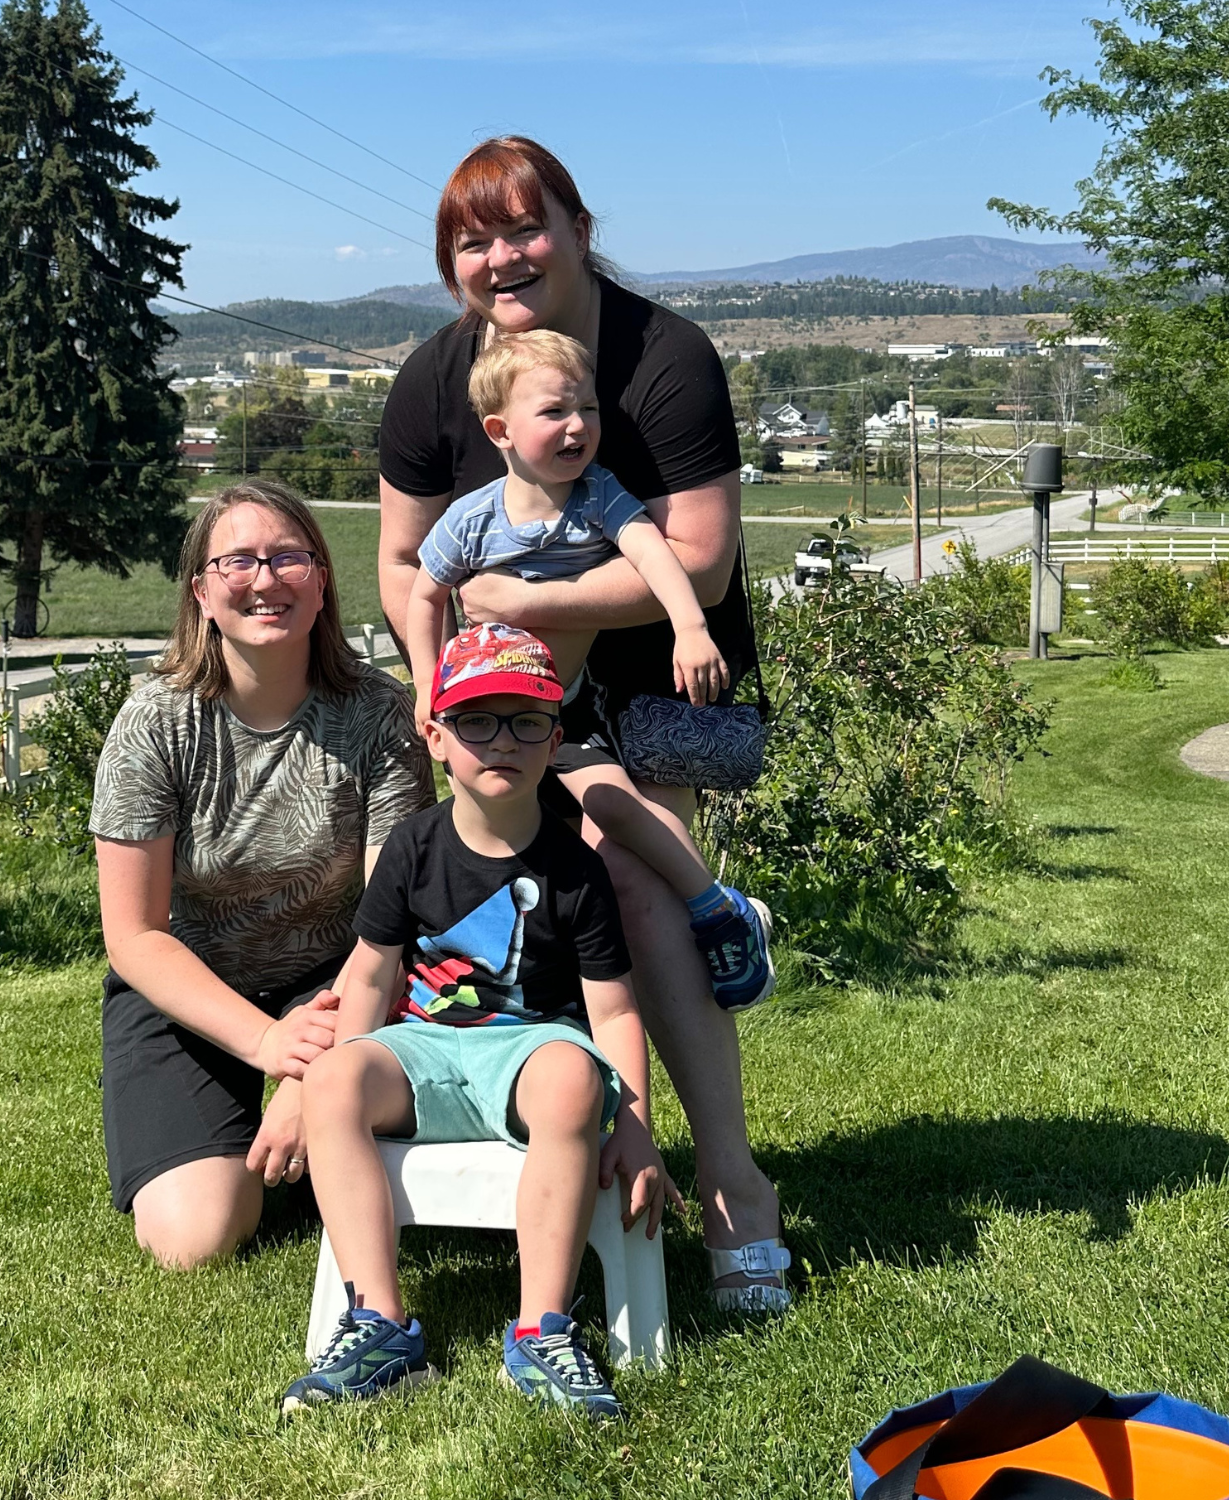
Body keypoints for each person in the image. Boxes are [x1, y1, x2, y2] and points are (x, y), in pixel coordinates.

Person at [378, 135, 791, 1311]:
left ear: (577, 228)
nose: (501, 257)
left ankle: (728, 1187)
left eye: (525, 228)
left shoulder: (665, 362)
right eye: (473, 239)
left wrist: (529, 601)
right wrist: (438, 668)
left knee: (631, 886)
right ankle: (559, 1136)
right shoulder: (433, 382)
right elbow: (405, 558)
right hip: (497, 690)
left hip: (651, 681)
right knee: (463, 885)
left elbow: (699, 566)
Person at [283, 624, 679, 1418]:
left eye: (526, 720)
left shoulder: (577, 869)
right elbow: (369, 971)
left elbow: (612, 1006)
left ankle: (541, 1332)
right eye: (476, 721)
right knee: (331, 1082)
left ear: (554, 737)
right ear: (436, 737)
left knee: (572, 1079)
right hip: (423, 1046)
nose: (501, 741)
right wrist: (332, 1069)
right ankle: (379, 1325)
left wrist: (634, 1122)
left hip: (532, 1050)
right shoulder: (413, 846)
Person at [91, 480, 433, 1267]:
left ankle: (316, 1139)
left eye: (288, 557)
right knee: (194, 1239)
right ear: (202, 592)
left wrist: (314, 1072)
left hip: (348, 982)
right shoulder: (154, 724)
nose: (264, 578)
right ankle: (269, 1156)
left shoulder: (381, 718)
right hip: (193, 993)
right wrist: (271, 1045)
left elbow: (395, 920)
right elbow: (135, 936)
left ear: (321, 584)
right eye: (237, 560)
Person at [406, 327, 774, 1012]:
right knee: (485, 838)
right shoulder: (472, 520)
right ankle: (468, 977)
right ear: (500, 430)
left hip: (569, 711)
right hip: (490, 717)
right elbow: (423, 594)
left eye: (590, 410)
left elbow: (658, 554)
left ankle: (718, 909)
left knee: (612, 805)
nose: (579, 427)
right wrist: (431, 686)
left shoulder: (598, 497)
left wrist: (691, 627)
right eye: (554, 412)